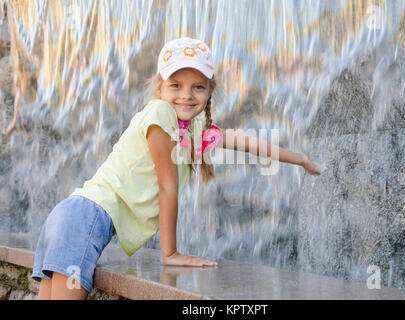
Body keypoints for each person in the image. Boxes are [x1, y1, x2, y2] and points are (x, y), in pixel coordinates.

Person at [31, 37, 328, 300]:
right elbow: (167, 185)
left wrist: (302, 160)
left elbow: (246, 142)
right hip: (85, 218)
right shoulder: (160, 114)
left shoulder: (194, 127)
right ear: (159, 87)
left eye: (197, 87)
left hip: (68, 216)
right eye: (176, 85)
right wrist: (170, 254)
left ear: (209, 92)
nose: (186, 95)